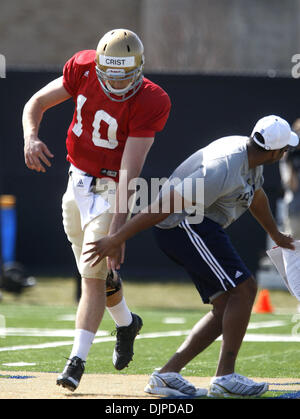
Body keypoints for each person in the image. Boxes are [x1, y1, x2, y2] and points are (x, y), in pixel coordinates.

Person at [83, 115, 298, 398]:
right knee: (244, 290)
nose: (286, 153)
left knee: (225, 306)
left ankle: (167, 374)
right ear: (274, 152)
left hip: (196, 223)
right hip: (182, 224)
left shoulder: (248, 156)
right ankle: (225, 376)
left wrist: (278, 234)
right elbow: (165, 203)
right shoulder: (223, 168)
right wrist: (117, 237)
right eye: (285, 149)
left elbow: (255, 197)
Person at [22, 28, 171, 391]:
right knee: (98, 273)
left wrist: (119, 231)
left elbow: (129, 172)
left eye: (125, 76)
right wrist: (30, 136)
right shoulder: (84, 67)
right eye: (111, 75)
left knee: (91, 276)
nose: (117, 84)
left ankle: (77, 361)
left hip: (111, 188)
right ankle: (126, 323)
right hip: (77, 180)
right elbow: (36, 103)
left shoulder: (152, 99)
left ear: (139, 69)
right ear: (100, 67)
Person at [279, 118, 300, 239]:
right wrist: (291, 162)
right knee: (295, 250)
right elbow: (292, 186)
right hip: (295, 210)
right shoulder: (288, 156)